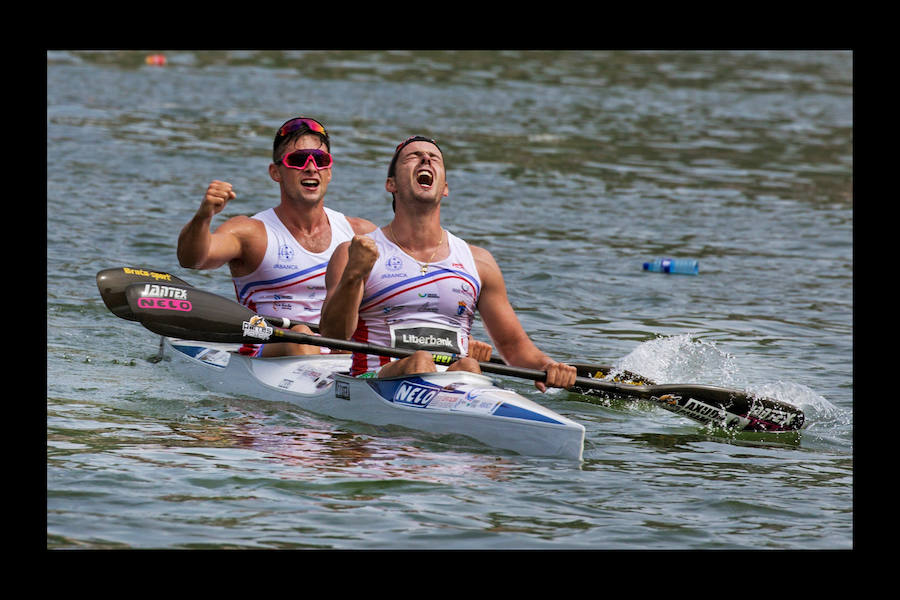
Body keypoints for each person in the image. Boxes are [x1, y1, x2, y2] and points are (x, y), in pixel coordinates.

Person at [319, 136, 576, 392]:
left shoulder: (479, 262)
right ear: (391, 184)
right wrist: (354, 275)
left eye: (435, 158)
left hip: (455, 385)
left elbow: (513, 347)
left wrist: (549, 365)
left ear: (445, 188)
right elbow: (334, 338)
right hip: (373, 382)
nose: (426, 159)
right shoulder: (356, 253)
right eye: (413, 156)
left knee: (470, 367)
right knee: (420, 361)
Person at [177, 116, 377, 357]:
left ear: (329, 172)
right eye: (299, 160)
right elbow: (193, 259)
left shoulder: (359, 233)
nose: (312, 167)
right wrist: (203, 217)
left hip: (336, 355)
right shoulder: (250, 233)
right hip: (267, 349)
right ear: (276, 172)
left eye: (321, 160)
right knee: (302, 335)